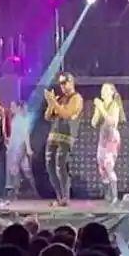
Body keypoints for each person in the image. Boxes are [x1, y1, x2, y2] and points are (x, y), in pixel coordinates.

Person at [44, 72, 84, 206]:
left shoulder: (76, 98)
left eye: (64, 82)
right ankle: (59, 196)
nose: (62, 86)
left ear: (71, 82)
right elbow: (48, 117)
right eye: (60, 83)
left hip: (66, 137)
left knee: (60, 166)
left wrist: (54, 102)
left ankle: (65, 197)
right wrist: (51, 103)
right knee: (50, 167)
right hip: (53, 136)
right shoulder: (60, 99)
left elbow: (66, 114)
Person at [91, 82, 125, 204]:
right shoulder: (100, 105)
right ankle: (107, 196)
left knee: (109, 165)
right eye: (102, 89)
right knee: (102, 167)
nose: (103, 92)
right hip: (102, 139)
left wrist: (101, 108)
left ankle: (115, 196)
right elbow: (94, 123)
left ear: (111, 92)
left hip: (112, 138)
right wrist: (98, 109)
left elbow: (112, 122)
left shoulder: (114, 105)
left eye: (106, 89)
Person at [7, 100, 34, 199]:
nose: (11, 108)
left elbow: (25, 135)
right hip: (14, 147)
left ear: (19, 107)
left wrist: (28, 148)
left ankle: (28, 190)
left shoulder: (23, 119)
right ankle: (17, 190)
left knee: (21, 168)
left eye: (13, 106)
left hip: (20, 147)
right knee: (19, 169)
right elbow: (14, 134)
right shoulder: (15, 119)